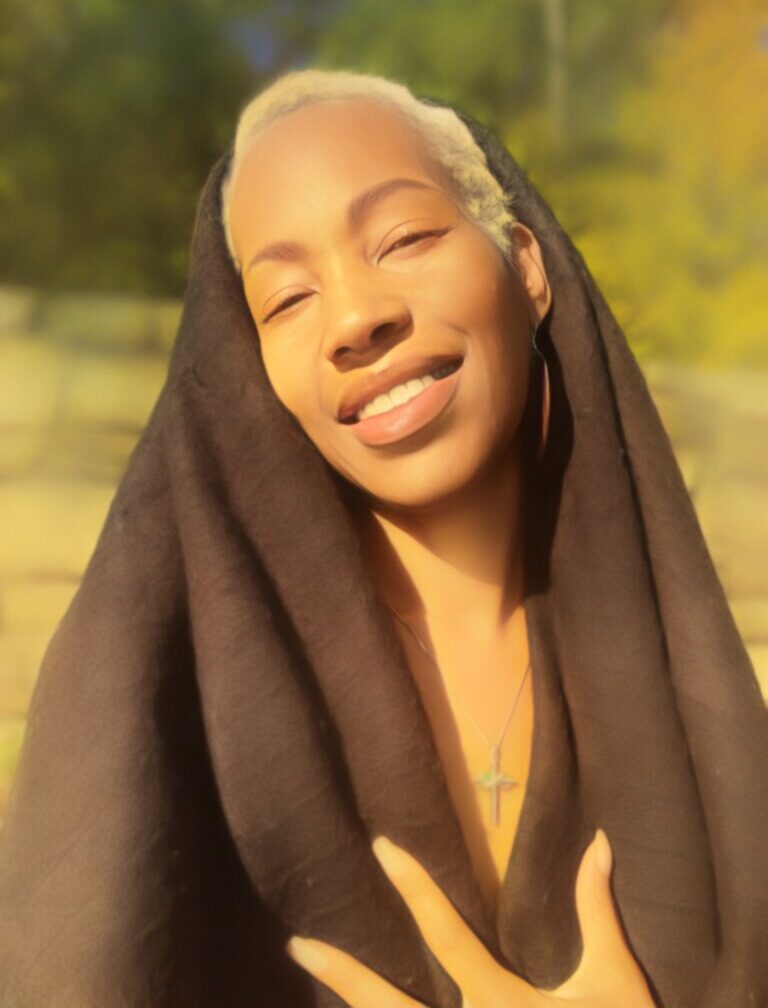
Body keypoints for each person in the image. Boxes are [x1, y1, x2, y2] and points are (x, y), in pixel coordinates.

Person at [0, 68, 765, 1008]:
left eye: (402, 239)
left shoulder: (686, 698)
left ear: (525, 266)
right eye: (286, 300)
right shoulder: (153, 703)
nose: (358, 319)